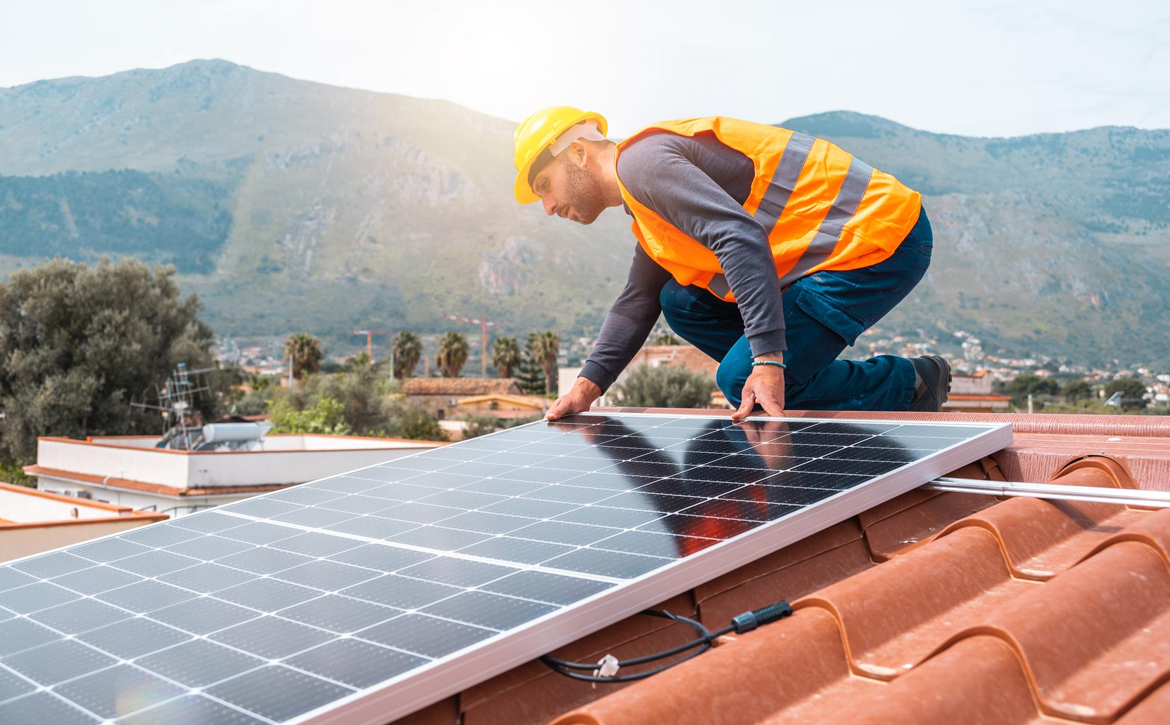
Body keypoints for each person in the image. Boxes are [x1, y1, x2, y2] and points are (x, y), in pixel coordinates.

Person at [512, 108, 950, 421]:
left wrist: (766, 361)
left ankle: (910, 382)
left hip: (877, 239)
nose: (548, 206)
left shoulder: (641, 165)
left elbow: (738, 238)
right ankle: (787, 378)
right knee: (678, 299)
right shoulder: (644, 202)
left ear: (579, 154)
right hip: (829, 256)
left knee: (746, 374)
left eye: (545, 185)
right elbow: (637, 300)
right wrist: (587, 387)